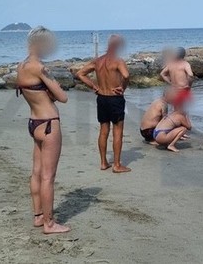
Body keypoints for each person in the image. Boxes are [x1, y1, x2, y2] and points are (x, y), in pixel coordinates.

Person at [16, 26, 70, 234]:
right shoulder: (40, 67)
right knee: (48, 176)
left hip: (34, 122)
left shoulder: (21, 65)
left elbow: (33, 91)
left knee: (37, 172)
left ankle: (38, 216)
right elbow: (63, 97)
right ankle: (49, 223)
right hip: (49, 123)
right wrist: (53, 88)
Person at [76, 35, 131, 173]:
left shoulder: (98, 61)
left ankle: (103, 162)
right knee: (118, 131)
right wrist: (122, 87)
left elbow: (80, 73)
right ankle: (117, 165)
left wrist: (93, 86)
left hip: (102, 98)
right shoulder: (118, 61)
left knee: (103, 130)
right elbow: (126, 76)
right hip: (115, 98)